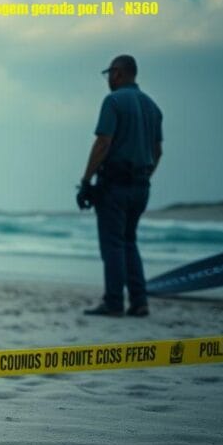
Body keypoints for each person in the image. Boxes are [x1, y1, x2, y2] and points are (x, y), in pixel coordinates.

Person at [77, 54, 163, 317]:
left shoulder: (113, 101)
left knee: (113, 244)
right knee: (129, 241)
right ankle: (139, 301)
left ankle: (113, 302)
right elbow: (157, 151)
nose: (108, 80)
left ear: (118, 73)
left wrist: (86, 180)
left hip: (114, 184)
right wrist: (145, 178)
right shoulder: (152, 107)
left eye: (109, 74)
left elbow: (103, 142)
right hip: (140, 186)